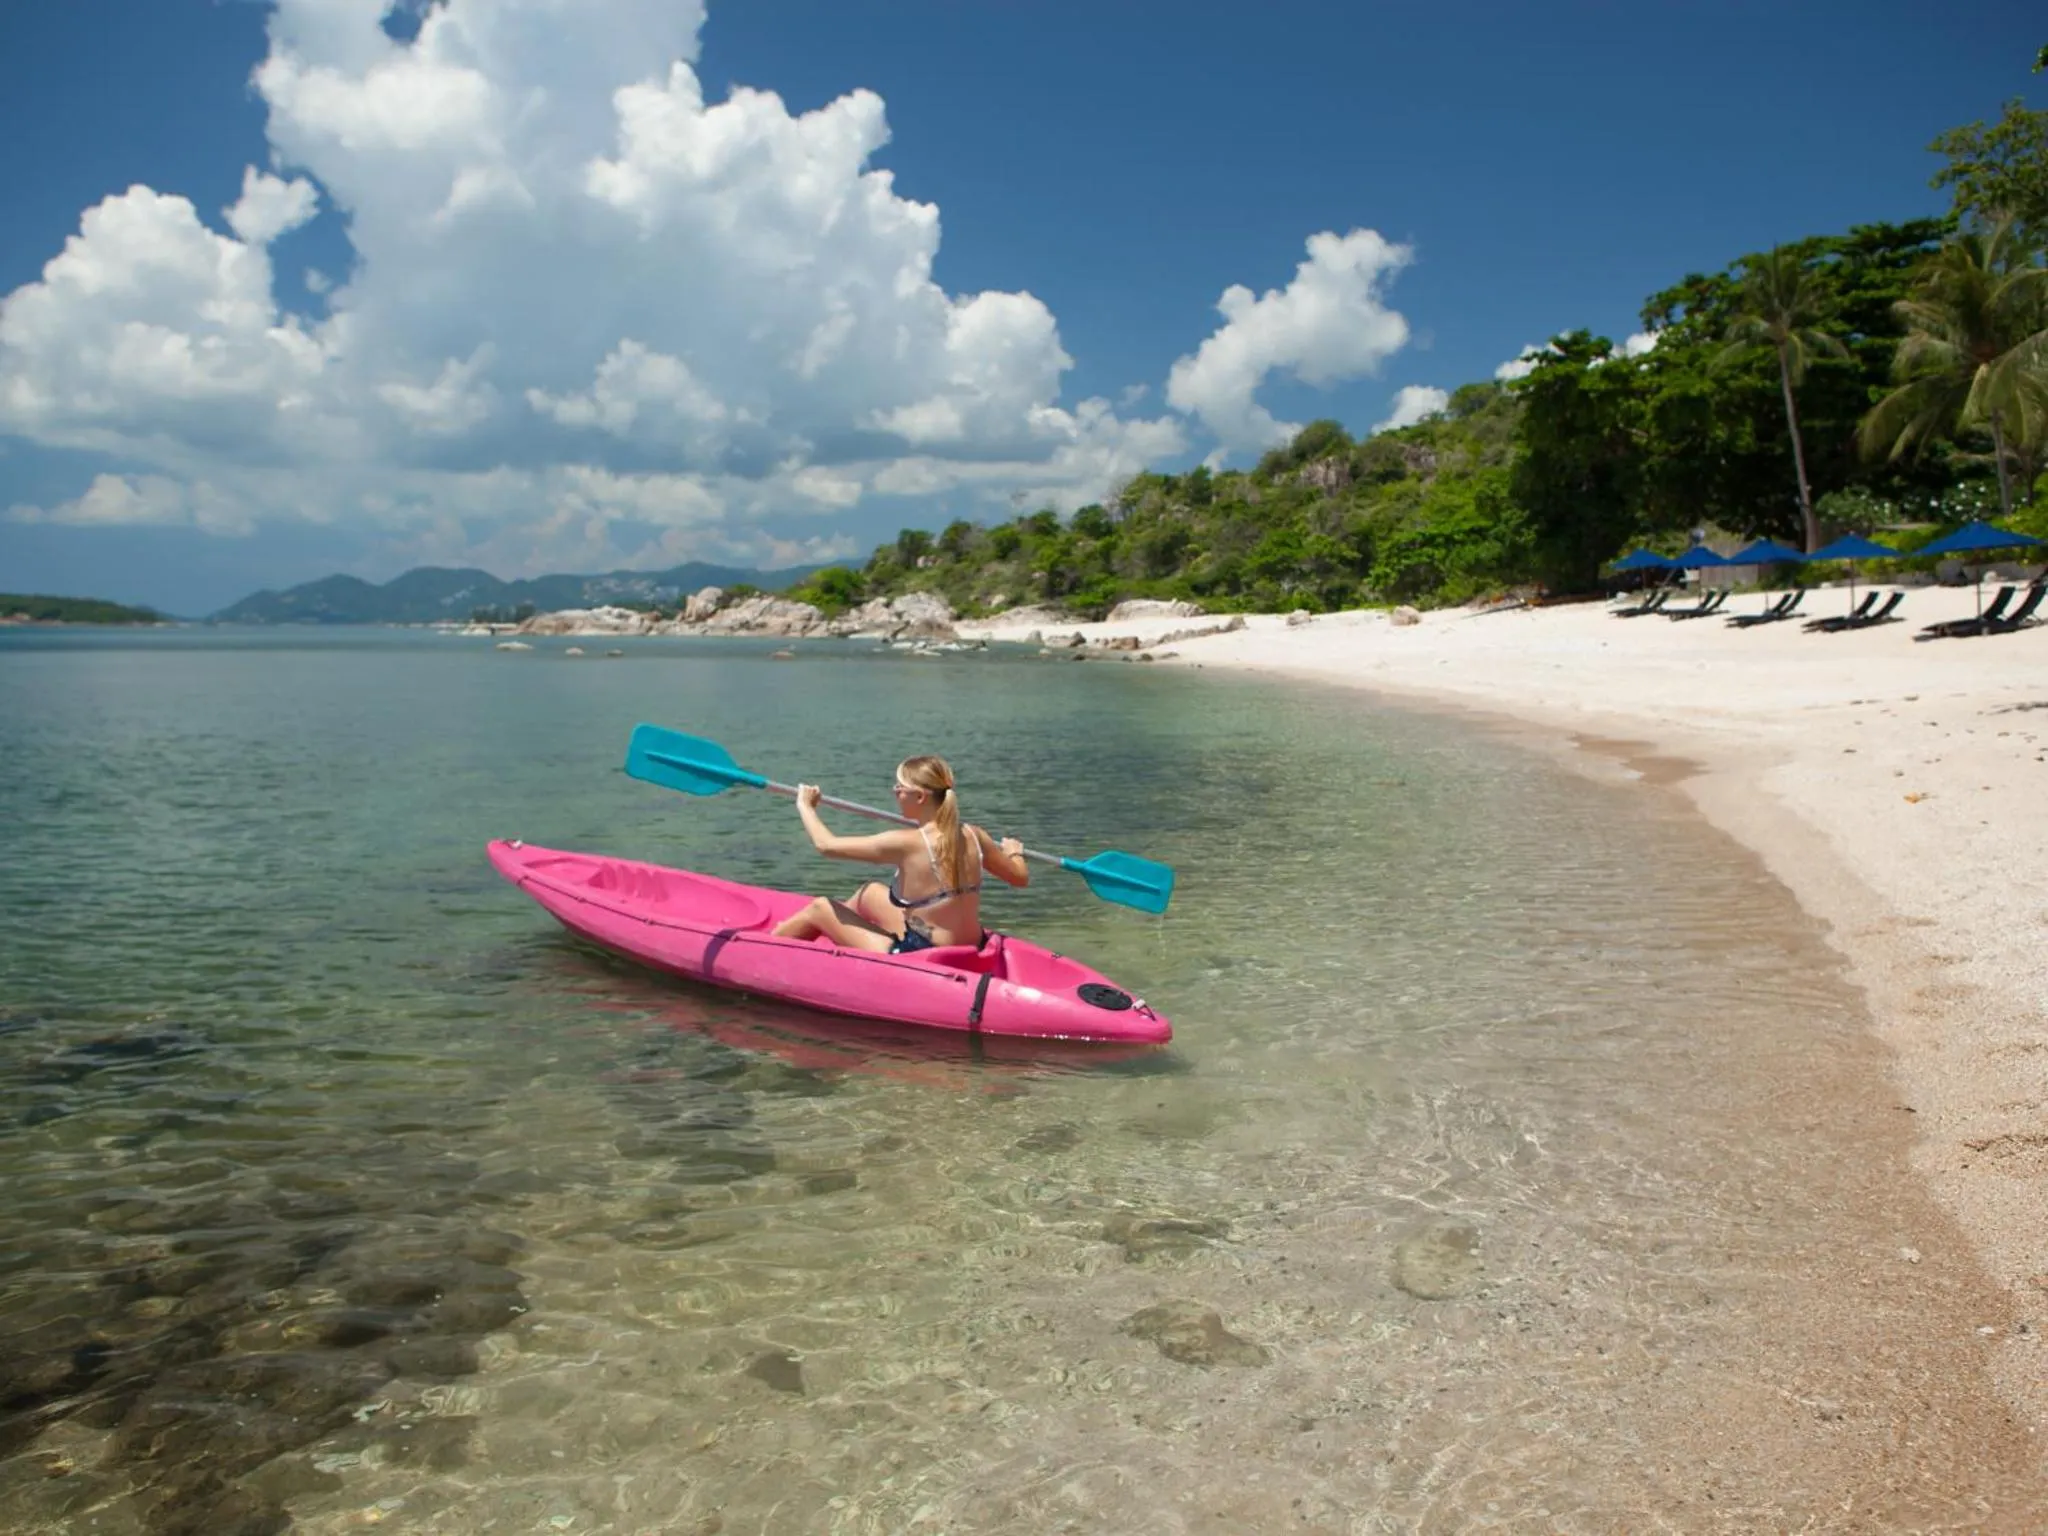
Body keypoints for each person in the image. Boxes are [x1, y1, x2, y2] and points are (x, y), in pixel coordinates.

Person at [769, 755, 1028, 953]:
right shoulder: (974, 834)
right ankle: (839, 938)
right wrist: (1014, 853)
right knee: (869, 892)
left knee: (820, 908)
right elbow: (1019, 878)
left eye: (899, 788)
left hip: (923, 953)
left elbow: (826, 845)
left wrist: (805, 805)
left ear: (920, 797)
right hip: (972, 945)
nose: (896, 793)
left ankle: (766, 945)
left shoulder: (906, 843)